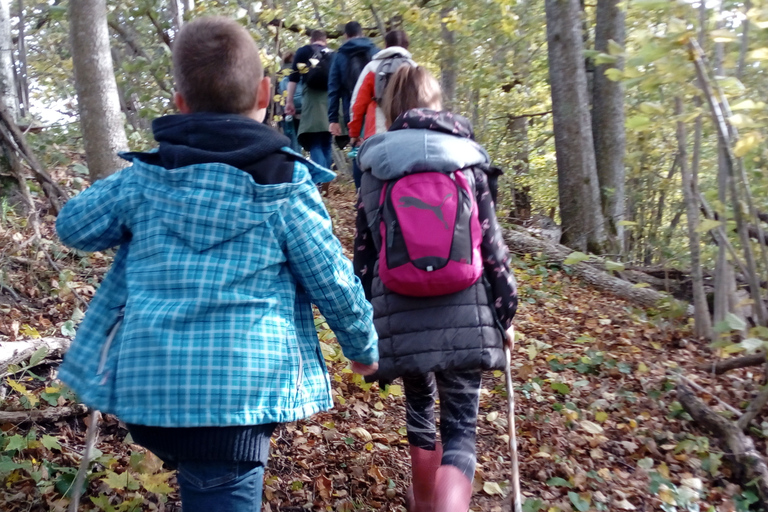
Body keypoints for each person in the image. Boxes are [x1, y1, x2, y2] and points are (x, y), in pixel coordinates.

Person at [55, 17, 378, 512]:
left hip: (150, 386)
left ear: (180, 103)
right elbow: (332, 281)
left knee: (198, 475)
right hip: (239, 392)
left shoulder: (144, 180)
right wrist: (363, 348)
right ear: (266, 93)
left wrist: (133, 186)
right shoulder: (286, 187)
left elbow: (73, 225)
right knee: (216, 484)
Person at [353, 66, 518, 512]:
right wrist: (505, 314)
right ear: (436, 104)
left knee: (419, 405)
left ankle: (424, 500)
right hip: (468, 310)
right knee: (461, 428)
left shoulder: (374, 165)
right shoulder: (468, 158)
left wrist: (366, 324)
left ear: (391, 109)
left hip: (401, 311)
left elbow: (364, 255)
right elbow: (493, 249)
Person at [327, 21, 379, 188]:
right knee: (377, 149)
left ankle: (360, 195)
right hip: (377, 110)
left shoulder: (340, 56)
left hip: (353, 109)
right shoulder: (376, 52)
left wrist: (333, 119)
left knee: (358, 150)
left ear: (345, 35)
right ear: (362, 33)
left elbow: (333, 89)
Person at [348, 30, 415, 148]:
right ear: (407, 46)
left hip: (377, 131)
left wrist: (354, 133)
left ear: (386, 45)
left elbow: (358, 104)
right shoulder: (414, 68)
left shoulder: (372, 67)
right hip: (408, 129)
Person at [286, 30, 334, 169]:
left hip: (312, 100)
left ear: (311, 40)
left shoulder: (303, 51)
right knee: (326, 142)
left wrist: (289, 101)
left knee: (315, 142)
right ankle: (327, 178)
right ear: (325, 40)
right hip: (330, 100)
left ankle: (320, 178)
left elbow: (293, 79)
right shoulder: (333, 54)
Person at [277, 50, 302, 152]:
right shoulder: (300, 70)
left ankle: (293, 159)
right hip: (301, 109)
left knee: (291, 141)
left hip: (287, 111)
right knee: (300, 139)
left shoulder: (280, 73)